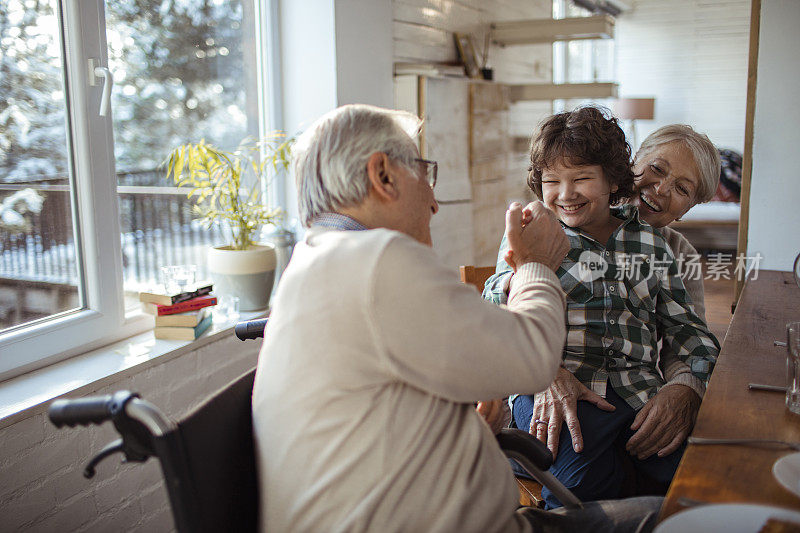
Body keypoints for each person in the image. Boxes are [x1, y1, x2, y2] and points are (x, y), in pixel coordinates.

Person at [251, 104, 662, 532]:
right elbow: (533, 363)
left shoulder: (321, 264)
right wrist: (535, 265)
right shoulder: (375, 261)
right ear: (383, 175)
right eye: (424, 173)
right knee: (681, 518)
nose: (434, 202)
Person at [483, 107, 720, 509]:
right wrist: (519, 276)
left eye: (682, 188)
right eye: (552, 182)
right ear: (631, 170)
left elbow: (690, 332)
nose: (566, 193)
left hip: (637, 394)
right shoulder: (537, 231)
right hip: (560, 389)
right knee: (580, 486)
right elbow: (492, 307)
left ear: (612, 179)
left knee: (697, 479)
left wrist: (686, 386)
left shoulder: (656, 246)